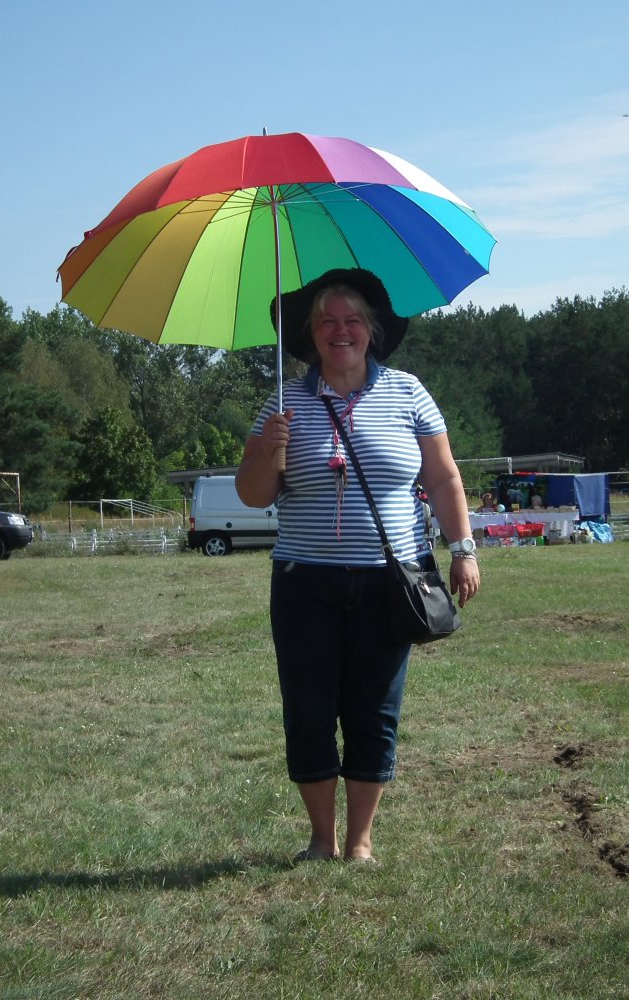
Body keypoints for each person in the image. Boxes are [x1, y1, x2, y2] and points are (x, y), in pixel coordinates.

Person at [236, 268, 480, 864]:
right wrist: (269, 449)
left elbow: (443, 478)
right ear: (311, 333)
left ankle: (360, 842)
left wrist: (464, 548)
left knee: (375, 710)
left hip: (388, 583)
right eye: (327, 321)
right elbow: (253, 495)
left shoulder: (407, 392)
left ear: (371, 331)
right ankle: (321, 839)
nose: (339, 331)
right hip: (303, 583)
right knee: (309, 710)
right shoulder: (284, 401)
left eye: (351, 321)